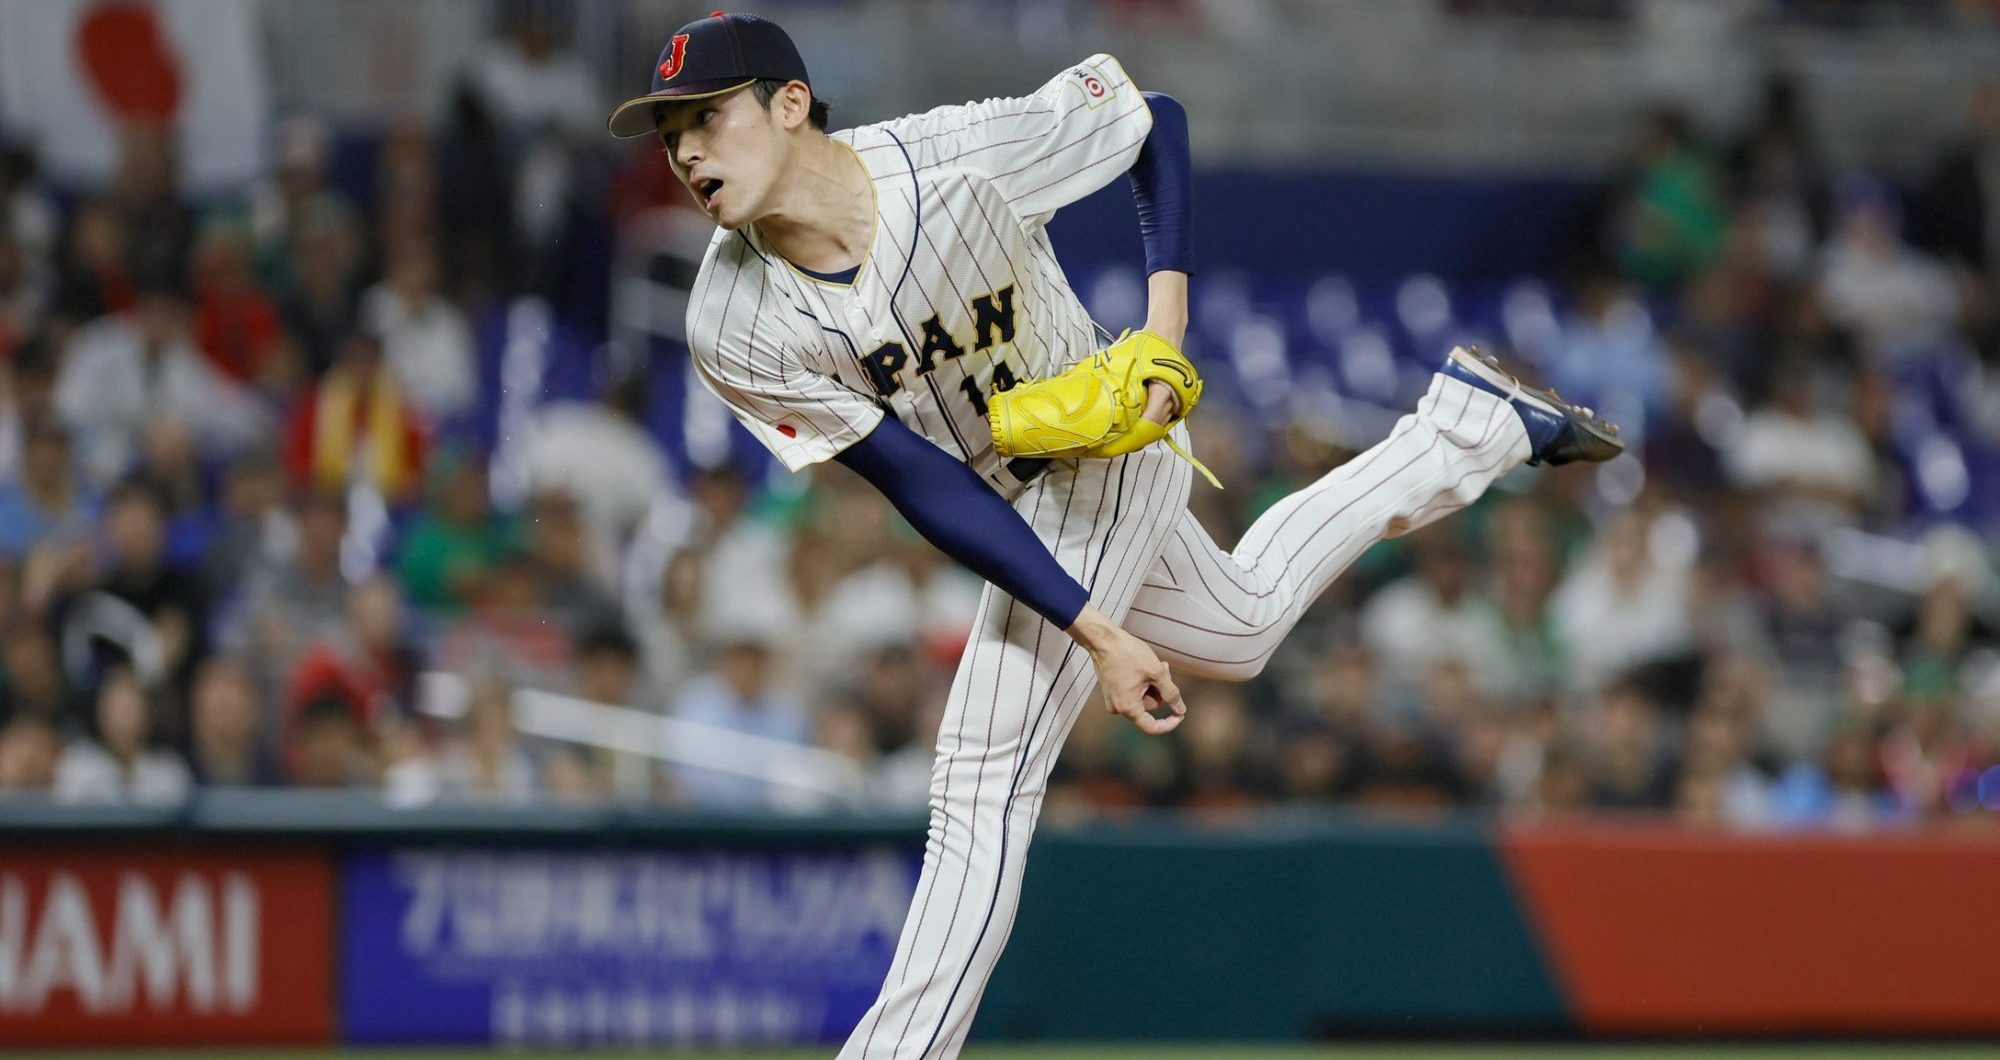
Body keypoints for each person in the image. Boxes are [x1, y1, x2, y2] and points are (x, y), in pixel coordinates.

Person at [606, 13, 1622, 1056]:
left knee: (979, 772)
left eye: (705, 116)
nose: (683, 151)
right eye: (667, 130)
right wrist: (1094, 626)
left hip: (1101, 449)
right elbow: (917, 482)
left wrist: (1161, 333)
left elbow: (1152, 123)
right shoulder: (729, 321)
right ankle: (1474, 425)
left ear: (787, 103)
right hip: (1000, 492)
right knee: (1242, 623)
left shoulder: (953, 157)